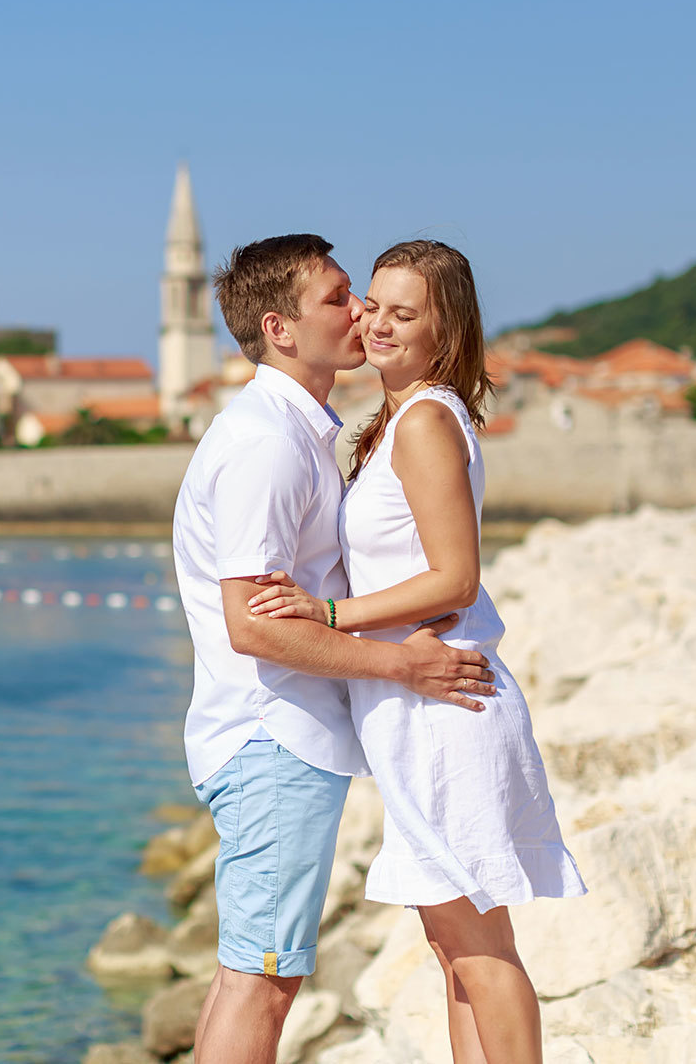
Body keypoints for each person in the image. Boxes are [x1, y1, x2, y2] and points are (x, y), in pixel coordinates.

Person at [249, 239, 585, 1064]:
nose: (378, 322)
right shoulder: (399, 421)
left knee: (480, 950)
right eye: (373, 303)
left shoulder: (428, 419)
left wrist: (332, 612)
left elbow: (456, 577)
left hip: (448, 709)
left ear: (446, 330)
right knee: (452, 948)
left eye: (406, 313)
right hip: (416, 711)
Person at [172, 234, 496, 1064]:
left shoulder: (302, 432)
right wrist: (402, 662)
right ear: (280, 328)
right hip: (272, 735)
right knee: (265, 979)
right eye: (338, 296)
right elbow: (254, 624)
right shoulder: (268, 446)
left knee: (251, 973)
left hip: (281, 737)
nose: (359, 312)